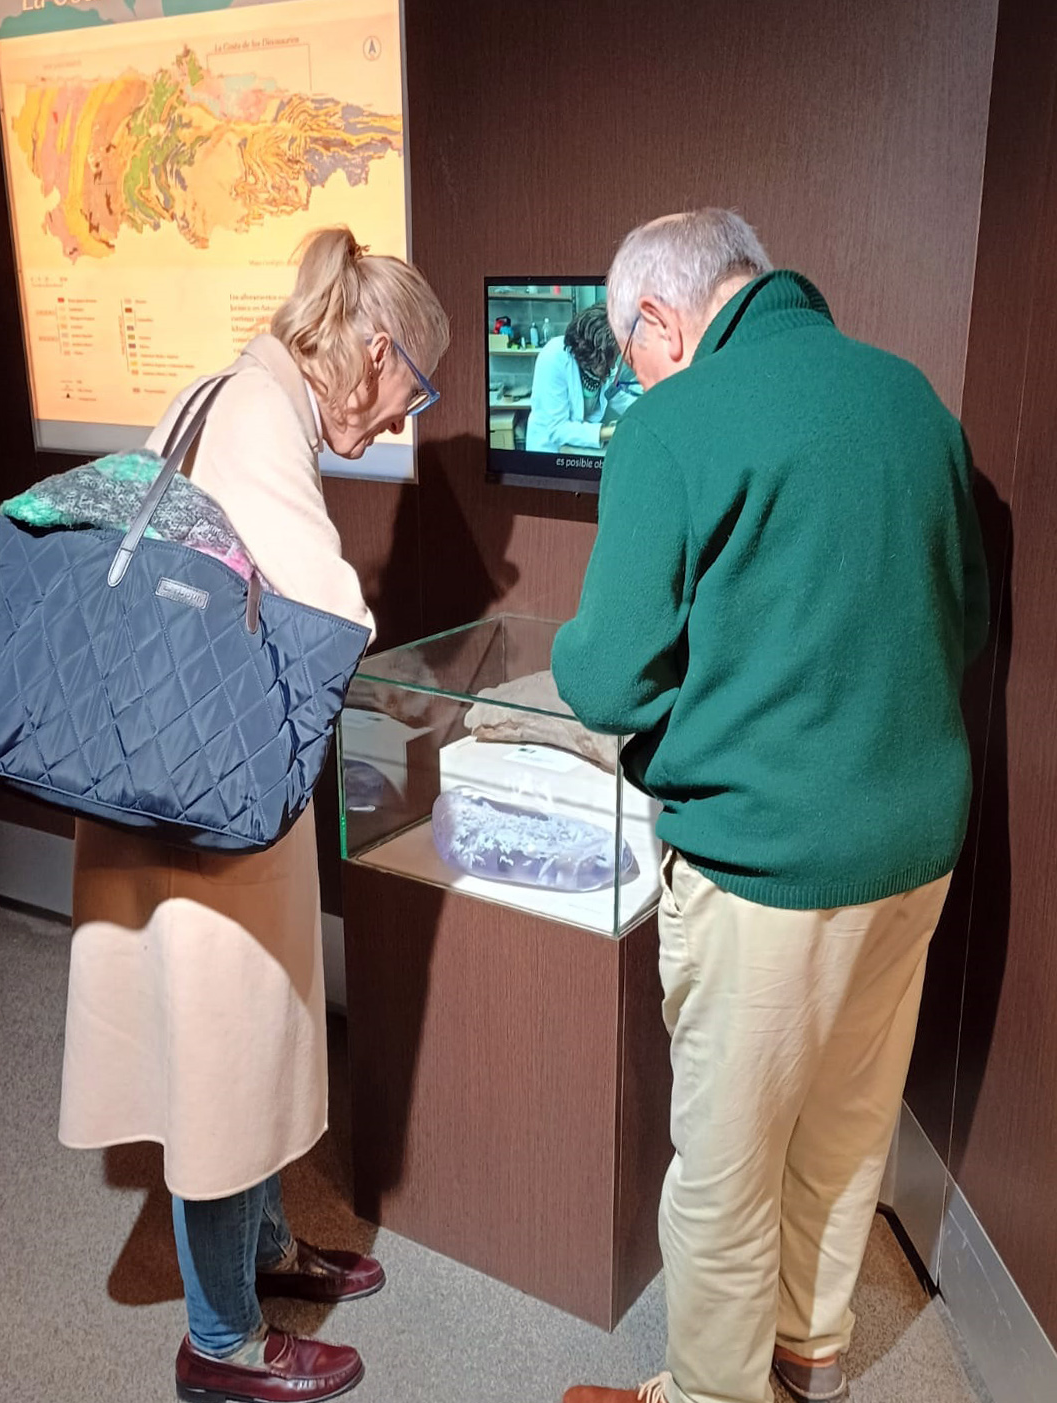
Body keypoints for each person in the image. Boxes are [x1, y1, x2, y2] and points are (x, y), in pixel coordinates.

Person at [552, 209, 988, 1403]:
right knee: (846, 1121)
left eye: (627, 353)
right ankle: (809, 1355)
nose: (632, 377)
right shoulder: (910, 398)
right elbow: (963, 621)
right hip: (914, 845)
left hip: (762, 859)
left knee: (724, 1166)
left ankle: (708, 1396)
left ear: (658, 317)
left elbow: (605, 676)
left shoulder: (673, 422)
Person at [57, 226, 449, 1403]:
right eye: (413, 389)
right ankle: (219, 1338)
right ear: (375, 353)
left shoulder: (218, 390)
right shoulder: (260, 420)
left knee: (248, 1044)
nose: (402, 416)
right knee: (225, 1066)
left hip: (170, 787)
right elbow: (328, 611)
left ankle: (264, 1247)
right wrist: (407, 694)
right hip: (204, 821)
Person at [525, 302, 637, 453]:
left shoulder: (603, 367)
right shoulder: (553, 358)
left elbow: (618, 397)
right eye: (611, 358)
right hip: (548, 449)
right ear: (593, 352)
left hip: (576, 448)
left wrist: (647, 412)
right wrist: (612, 431)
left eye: (615, 356)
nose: (612, 366)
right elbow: (557, 429)